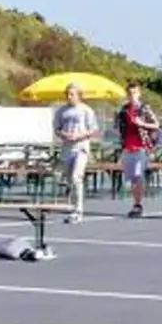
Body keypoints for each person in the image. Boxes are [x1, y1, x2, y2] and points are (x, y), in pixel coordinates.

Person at [52, 82, 99, 224]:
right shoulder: (61, 111)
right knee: (69, 180)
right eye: (67, 94)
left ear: (79, 95)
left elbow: (94, 129)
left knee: (76, 176)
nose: (69, 96)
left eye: (72, 94)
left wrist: (80, 135)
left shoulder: (86, 110)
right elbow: (57, 129)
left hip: (81, 147)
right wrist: (63, 134)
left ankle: (78, 210)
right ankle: (72, 207)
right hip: (67, 148)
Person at [115, 82, 160, 218]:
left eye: (134, 93)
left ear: (139, 94)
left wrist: (142, 123)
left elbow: (156, 124)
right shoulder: (123, 110)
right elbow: (118, 127)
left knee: (138, 176)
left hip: (141, 147)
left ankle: (138, 205)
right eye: (129, 93)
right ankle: (136, 203)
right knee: (132, 178)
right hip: (127, 147)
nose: (132, 96)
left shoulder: (144, 108)